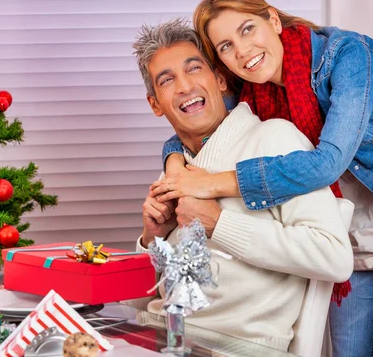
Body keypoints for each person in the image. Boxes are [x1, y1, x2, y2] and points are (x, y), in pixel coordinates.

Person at [149, 0, 373, 356]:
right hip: (361, 233)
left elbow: (328, 164)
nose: (242, 51)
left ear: (272, 19)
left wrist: (213, 184)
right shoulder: (255, 89)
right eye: (225, 46)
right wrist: (174, 163)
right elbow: (198, 122)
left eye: (247, 29)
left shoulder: (349, 56)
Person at [131, 18, 353, 352]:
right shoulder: (174, 173)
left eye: (194, 69)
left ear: (220, 80)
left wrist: (219, 223)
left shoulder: (274, 140)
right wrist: (151, 238)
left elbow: (334, 257)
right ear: (155, 104)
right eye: (167, 80)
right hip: (159, 339)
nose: (184, 86)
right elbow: (138, 303)